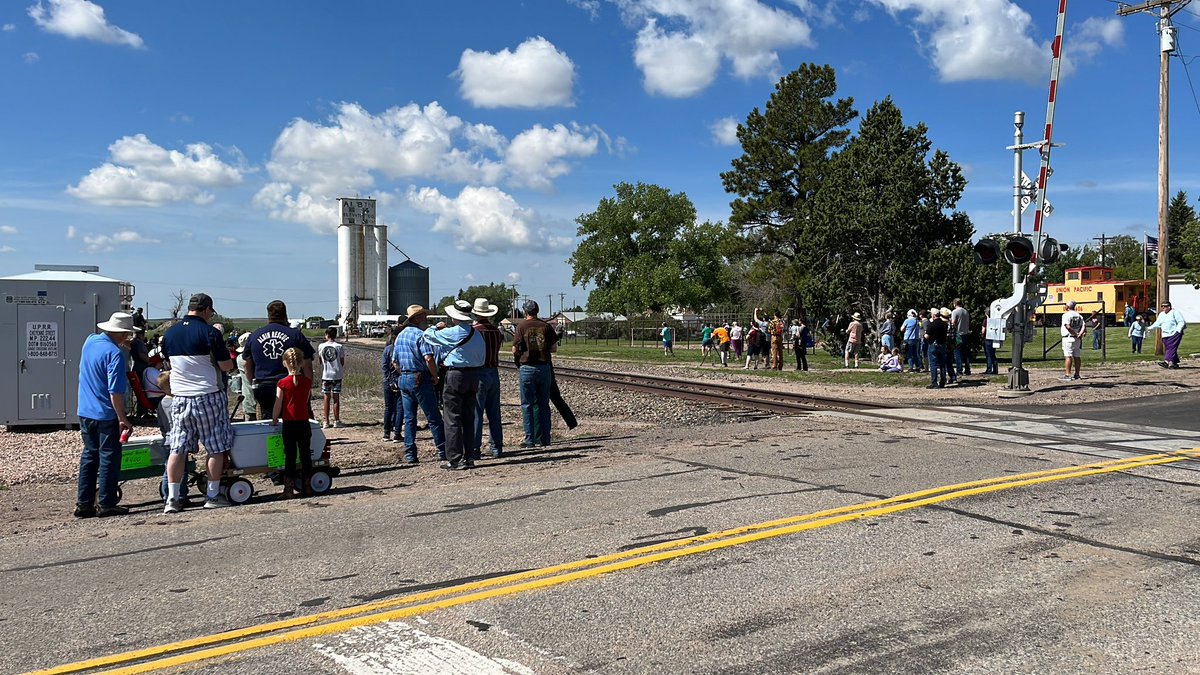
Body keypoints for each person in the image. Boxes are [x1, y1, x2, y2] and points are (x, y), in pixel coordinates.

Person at [161, 293, 236, 512]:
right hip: (207, 394)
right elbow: (225, 366)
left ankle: (172, 499)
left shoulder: (170, 333)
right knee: (215, 447)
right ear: (205, 310)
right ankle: (212, 495)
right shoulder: (210, 333)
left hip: (180, 396)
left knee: (178, 447)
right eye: (211, 312)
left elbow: (167, 361)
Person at [74, 311, 136, 518]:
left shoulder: (90, 341)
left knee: (90, 455)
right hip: (105, 413)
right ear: (123, 334)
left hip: (85, 409)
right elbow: (115, 392)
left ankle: (84, 503)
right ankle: (106, 502)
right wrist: (122, 418)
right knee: (109, 456)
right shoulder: (115, 354)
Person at [425, 300, 486, 469]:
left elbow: (427, 336)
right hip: (473, 375)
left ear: (454, 317)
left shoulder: (452, 332)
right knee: (469, 417)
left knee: (452, 418)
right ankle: (469, 456)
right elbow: (482, 357)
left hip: (455, 374)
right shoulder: (477, 334)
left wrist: (436, 327)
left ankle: (455, 458)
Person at [391, 305, 446, 464]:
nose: (426, 319)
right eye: (424, 316)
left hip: (405, 378)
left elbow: (395, 362)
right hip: (420, 378)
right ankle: (442, 449)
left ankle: (410, 453)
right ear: (418, 319)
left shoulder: (400, 336)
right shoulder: (421, 336)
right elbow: (428, 358)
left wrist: (404, 372)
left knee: (409, 418)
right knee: (433, 416)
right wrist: (435, 376)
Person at [243, 300, 314, 421]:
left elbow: (246, 365)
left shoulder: (254, 336)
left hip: (263, 386)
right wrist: (307, 386)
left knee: (270, 422)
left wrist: (253, 383)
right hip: (292, 384)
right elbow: (307, 365)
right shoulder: (295, 335)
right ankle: (298, 439)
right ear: (285, 315)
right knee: (298, 419)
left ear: (268, 315)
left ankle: (273, 439)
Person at [512, 300, 559, 448]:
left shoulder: (521, 327)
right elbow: (553, 349)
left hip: (527, 368)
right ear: (537, 311)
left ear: (525, 312)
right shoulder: (546, 326)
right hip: (544, 368)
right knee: (543, 404)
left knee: (527, 405)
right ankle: (545, 439)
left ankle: (530, 439)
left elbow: (515, 350)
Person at [271, 347, 313, 498]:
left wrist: (275, 418)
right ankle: (307, 486)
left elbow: (278, 404)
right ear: (301, 363)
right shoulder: (307, 382)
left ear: (284, 364)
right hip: (303, 421)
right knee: (305, 454)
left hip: (289, 423)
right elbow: (306, 400)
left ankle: (288, 489)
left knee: (290, 456)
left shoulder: (282, 383)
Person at [471, 297, 504, 460]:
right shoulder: (496, 331)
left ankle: (475, 449)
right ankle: (496, 447)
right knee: (494, 413)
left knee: (476, 412)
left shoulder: (474, 330)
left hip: (479, 371)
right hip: (493, 370)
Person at [317, 327, 345, 429]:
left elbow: (320, 361)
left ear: (327, 335)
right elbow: (342, 362)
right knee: (336, 398)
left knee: (326, 397)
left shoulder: (321, 346)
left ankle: (326, 421)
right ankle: (336, 420)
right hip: (337, 375)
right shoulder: (339, 346)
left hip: (326, 375)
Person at [1146, 300, 1186, 368]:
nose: (1163, 307)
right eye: (1162, 306)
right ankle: (1174, 363)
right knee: (1170, 348)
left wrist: (1178, 330)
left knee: (1171, 347)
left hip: (1174, 333)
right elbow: (1157, 323)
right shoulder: (1161, 314)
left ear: (1169, 307)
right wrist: (1150, 328)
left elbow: (1181, 322)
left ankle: (1166, 362)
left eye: (1165, 306)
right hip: (1165, 334)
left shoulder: (1175, 312)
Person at [381, 326, 400, 442]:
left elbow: (384, 366)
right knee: (399, 407)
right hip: (399, 380)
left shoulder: (387, 350)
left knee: (388, 408)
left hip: (388, 382)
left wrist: (389, 380)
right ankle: (397, 433)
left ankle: (386, 433)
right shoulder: (400, 349)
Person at [1060, 300, 1086, 381]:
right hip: (1077, 339)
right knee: (1077, 356)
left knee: (1068, 356)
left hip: (1068, 337)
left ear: (1067, 307)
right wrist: (1079, 334)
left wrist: (1074, 333)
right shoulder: (1079, 315)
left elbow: (1067, 326)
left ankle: (1068, 374)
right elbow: (1083, 326)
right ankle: (1077, 374)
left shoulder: (1065, 315)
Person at [925, 308, 949, 389]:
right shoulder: (945, 324)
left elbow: (927, 336)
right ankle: (942, 381)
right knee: (942, 364)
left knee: (933, 364)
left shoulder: (932, 324)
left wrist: (926, 336)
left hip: (933, 344)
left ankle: (934, 382)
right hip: (942, 344)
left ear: (933, 315)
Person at [950, 299, 971, 376]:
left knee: (957, 352)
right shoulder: (966, 312)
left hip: (958, 333)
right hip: (965, 333)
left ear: (955, 304)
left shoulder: (955, 312)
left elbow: (953, 323)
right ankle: (967, 369)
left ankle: (959, 369)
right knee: (965, 353)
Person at [980, 309, 999, 375]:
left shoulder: (986, 321)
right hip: (993, 338)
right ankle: (995, 369)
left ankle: (989, 369)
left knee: (988, 355)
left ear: (986, 313)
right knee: (993, 354)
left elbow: (983, 330)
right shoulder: (995, 321)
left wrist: (982, 336)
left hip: (987, 338)